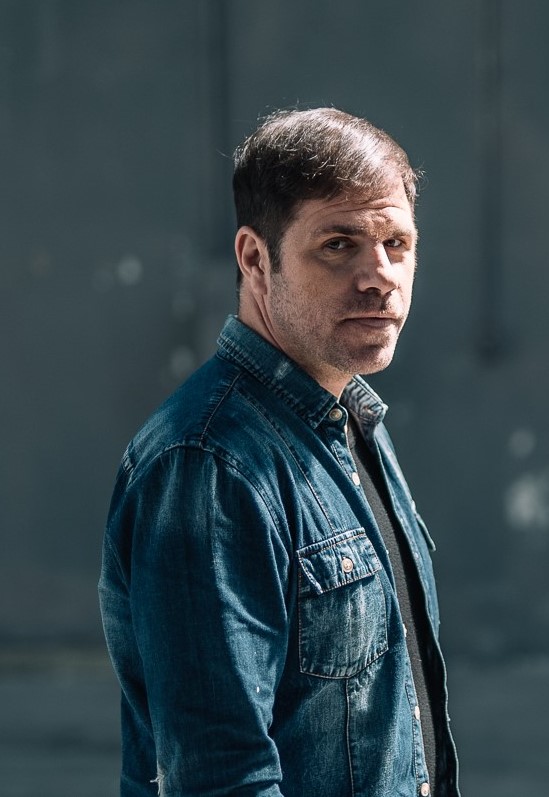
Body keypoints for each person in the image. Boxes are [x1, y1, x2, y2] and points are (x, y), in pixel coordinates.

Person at [99, 107, 460, 797]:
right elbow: (220, 777)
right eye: (338, 245)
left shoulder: (350, 418)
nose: (379, 275)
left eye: (396, 243)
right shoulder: (208, 464)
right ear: (254, 258)